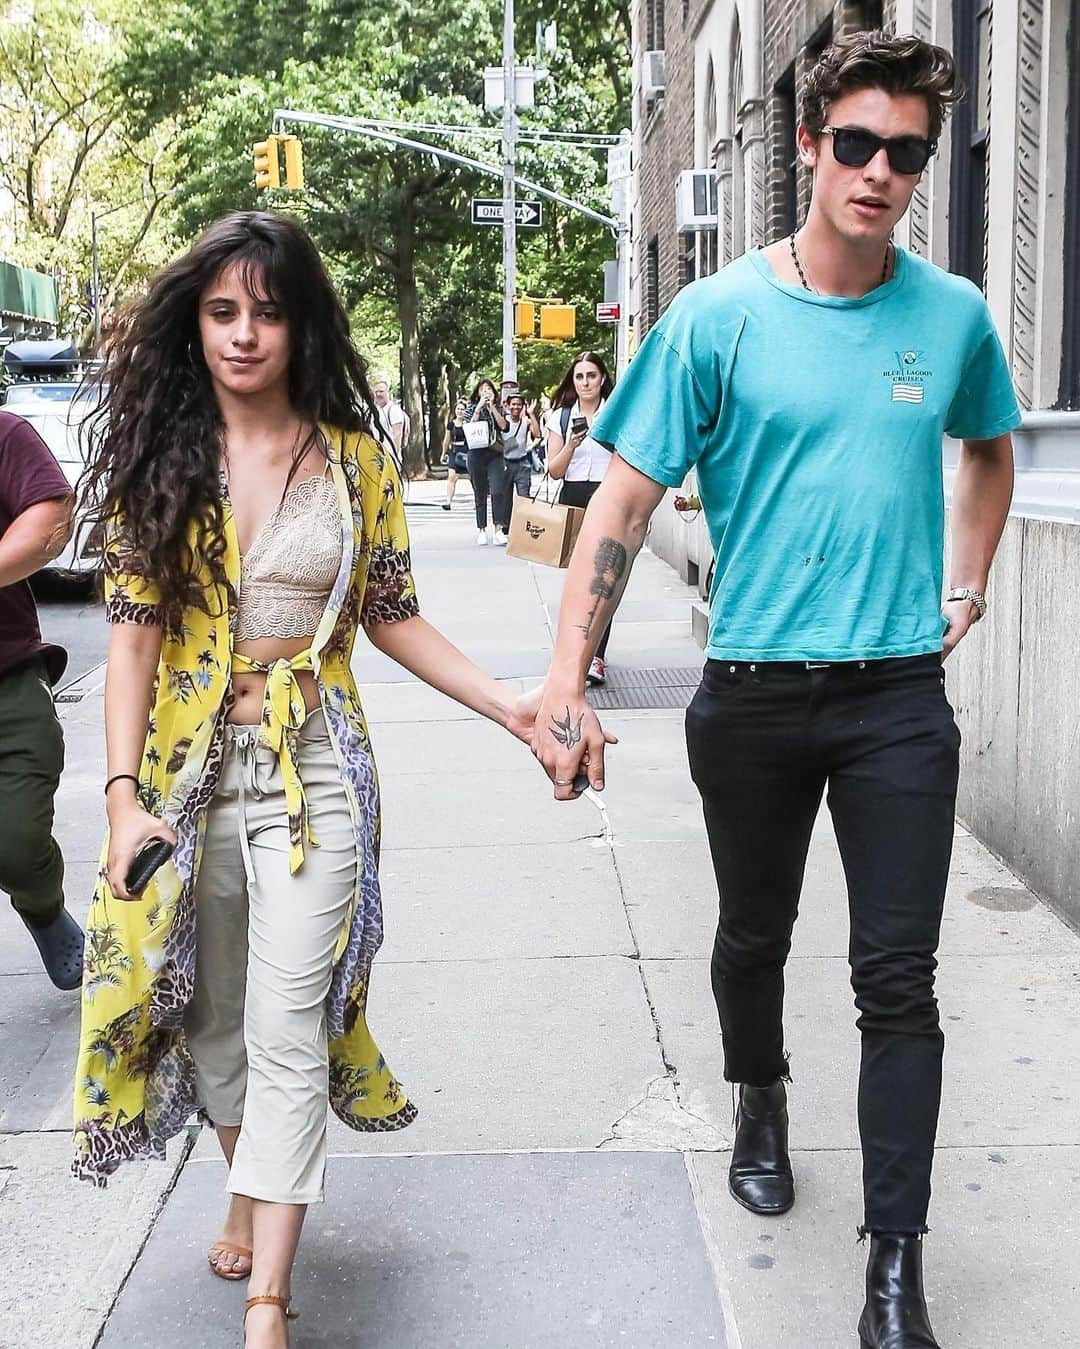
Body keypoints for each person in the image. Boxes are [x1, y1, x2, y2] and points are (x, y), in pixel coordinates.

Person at [531, 32, 1018, 1349]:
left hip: (898, 702)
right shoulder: (718, 317)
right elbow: (621, 498)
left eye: (905, 153)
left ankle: (894, 1266)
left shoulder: (953, 320)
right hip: (750, 692)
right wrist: (568, 679)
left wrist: (964, 586)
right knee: (753, 937)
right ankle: (759, 1092)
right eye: (854, 143)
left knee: (897, 976)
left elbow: (989, 452)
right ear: (808, 146)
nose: (878, 172)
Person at [73, 211, 539, 1349]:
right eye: (223, 311)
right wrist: (122, 793)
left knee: (288, 1019)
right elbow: (130, 639)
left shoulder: (357, 458)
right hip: (186, 778)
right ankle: (252, 1184)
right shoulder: (160, 460)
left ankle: (268, 1299)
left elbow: (393, 618)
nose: (243, 334)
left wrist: (511, 705)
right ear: (196, 321)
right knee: (212, 1017)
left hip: (313, 767)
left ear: (301, 324)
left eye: (268, 313)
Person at [0, 409, 84, 990]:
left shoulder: (5, 434)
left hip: (7, 680)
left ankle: (42, 904)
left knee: (19, 840)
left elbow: (50, 515)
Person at [546, 351, 616, 686]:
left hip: (607, 495)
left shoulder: (616, 413)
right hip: (573, 496)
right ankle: (575, 654)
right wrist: (572, 445)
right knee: (578, 581)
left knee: (603, 578)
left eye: (591, 375)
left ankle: (596, 656)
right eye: (579, 377)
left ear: (602, 378)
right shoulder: (560, 417)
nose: (585, 382)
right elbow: (554, 470)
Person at [464, 377, 508, 546]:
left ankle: (498, 529)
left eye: (489, 390)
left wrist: (492, 409)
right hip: (476, 454)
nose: (486, 392)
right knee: (480, 492)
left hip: (495, 453)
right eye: (483, 390)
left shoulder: (498, 408)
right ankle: (481, 529)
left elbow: (504, 426)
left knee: (497, 491)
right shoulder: (471, 409)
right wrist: (479, 408)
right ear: (478, 393)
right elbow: (467, 426)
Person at [498, 392, 541, 524]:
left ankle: (524, 525)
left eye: (519, 405)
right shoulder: (503, 421)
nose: (516, 407)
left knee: (524, 497)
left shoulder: (525, 421)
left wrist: (531, 413)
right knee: (505, 497)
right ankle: (506, 526)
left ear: (523, 406)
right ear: (508, 406)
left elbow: (538, 434)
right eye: (513, 404)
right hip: (505, 463)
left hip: (522, 463)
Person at [441, 397, 469, 511]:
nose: (460, 411)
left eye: (462, 409)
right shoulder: (451, 424)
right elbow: (447, 439)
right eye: (458, 409)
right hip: (454, 451)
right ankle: (448, 502)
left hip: (466, 451)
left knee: (473, 478)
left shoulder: (468, 423)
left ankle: (479, 499)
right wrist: (444, 453)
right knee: (452, 477)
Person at [371, 376, 406, 463]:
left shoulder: (394, 410)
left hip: (390, 458)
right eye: (376, 392)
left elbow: (398, 434)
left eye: (381, 391)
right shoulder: (375, 411)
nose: (378, 394)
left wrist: (393, 457)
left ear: (387, 392)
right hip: (378, 458)